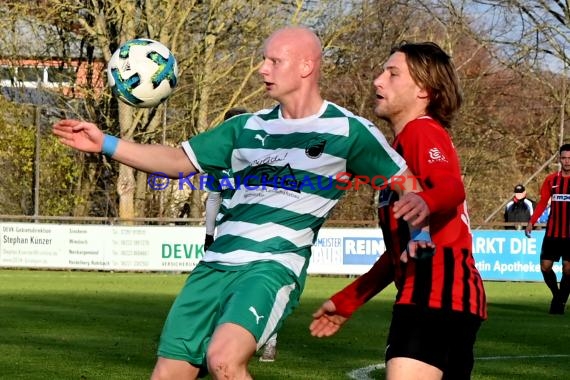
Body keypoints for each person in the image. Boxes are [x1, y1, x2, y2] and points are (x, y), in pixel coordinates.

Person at [52, 26, 429, 380]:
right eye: (264, 60)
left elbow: (406, 183)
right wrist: (105, 143)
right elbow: (176, 162)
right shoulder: (245, 128)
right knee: (167, 374)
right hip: (212, 269)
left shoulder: (348, 131)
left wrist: (420, 232)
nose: (262, 69)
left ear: (305, 66)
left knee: (224, 362)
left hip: (270, 267)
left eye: (273, 61)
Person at [310, 41, 487, 380]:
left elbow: (450, 188)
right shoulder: (399, 152)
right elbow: (398, 256)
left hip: (437, 293)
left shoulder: (422, 132)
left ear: (425, 90)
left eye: (392, 74)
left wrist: (425, 200)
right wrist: (348, 300)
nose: (378, 81)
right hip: (442, 296)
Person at [525, 144, 570, 315]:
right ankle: (557, 296)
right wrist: (531, 222)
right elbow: (543, 202)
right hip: (553, 232)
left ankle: (560, 302)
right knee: (545, 267)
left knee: (568, 269)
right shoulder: (551, 180)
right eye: (564, 158)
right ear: (560, 159)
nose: (567, 161)